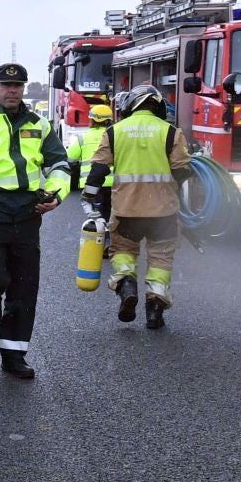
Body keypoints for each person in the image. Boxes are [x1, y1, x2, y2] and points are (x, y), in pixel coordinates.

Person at [0, 63, 70, 380]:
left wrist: (56, 194)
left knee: (24, 287)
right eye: (5, 85)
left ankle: (14, 354)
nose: (12, 91)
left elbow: (60, 163)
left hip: (27, 213)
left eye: (18, 86)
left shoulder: (39, 124)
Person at [82, 84, 194, 330]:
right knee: (161, 259)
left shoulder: (115, 131)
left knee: (123, 250)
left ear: (130, 105)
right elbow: (182, 171)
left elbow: (98, 169)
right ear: (158, 107)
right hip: (162, 212)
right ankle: (154, 308)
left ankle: (126, 284)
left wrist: (89, 196)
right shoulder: (171, 133)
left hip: (126, 211)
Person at [62, 103, 112, 191]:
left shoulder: (82, 138)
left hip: (89, 183)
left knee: (90, 204)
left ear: (91, 120)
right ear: (109, 120)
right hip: (113, 183)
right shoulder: (115, 136)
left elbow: (69, 159)